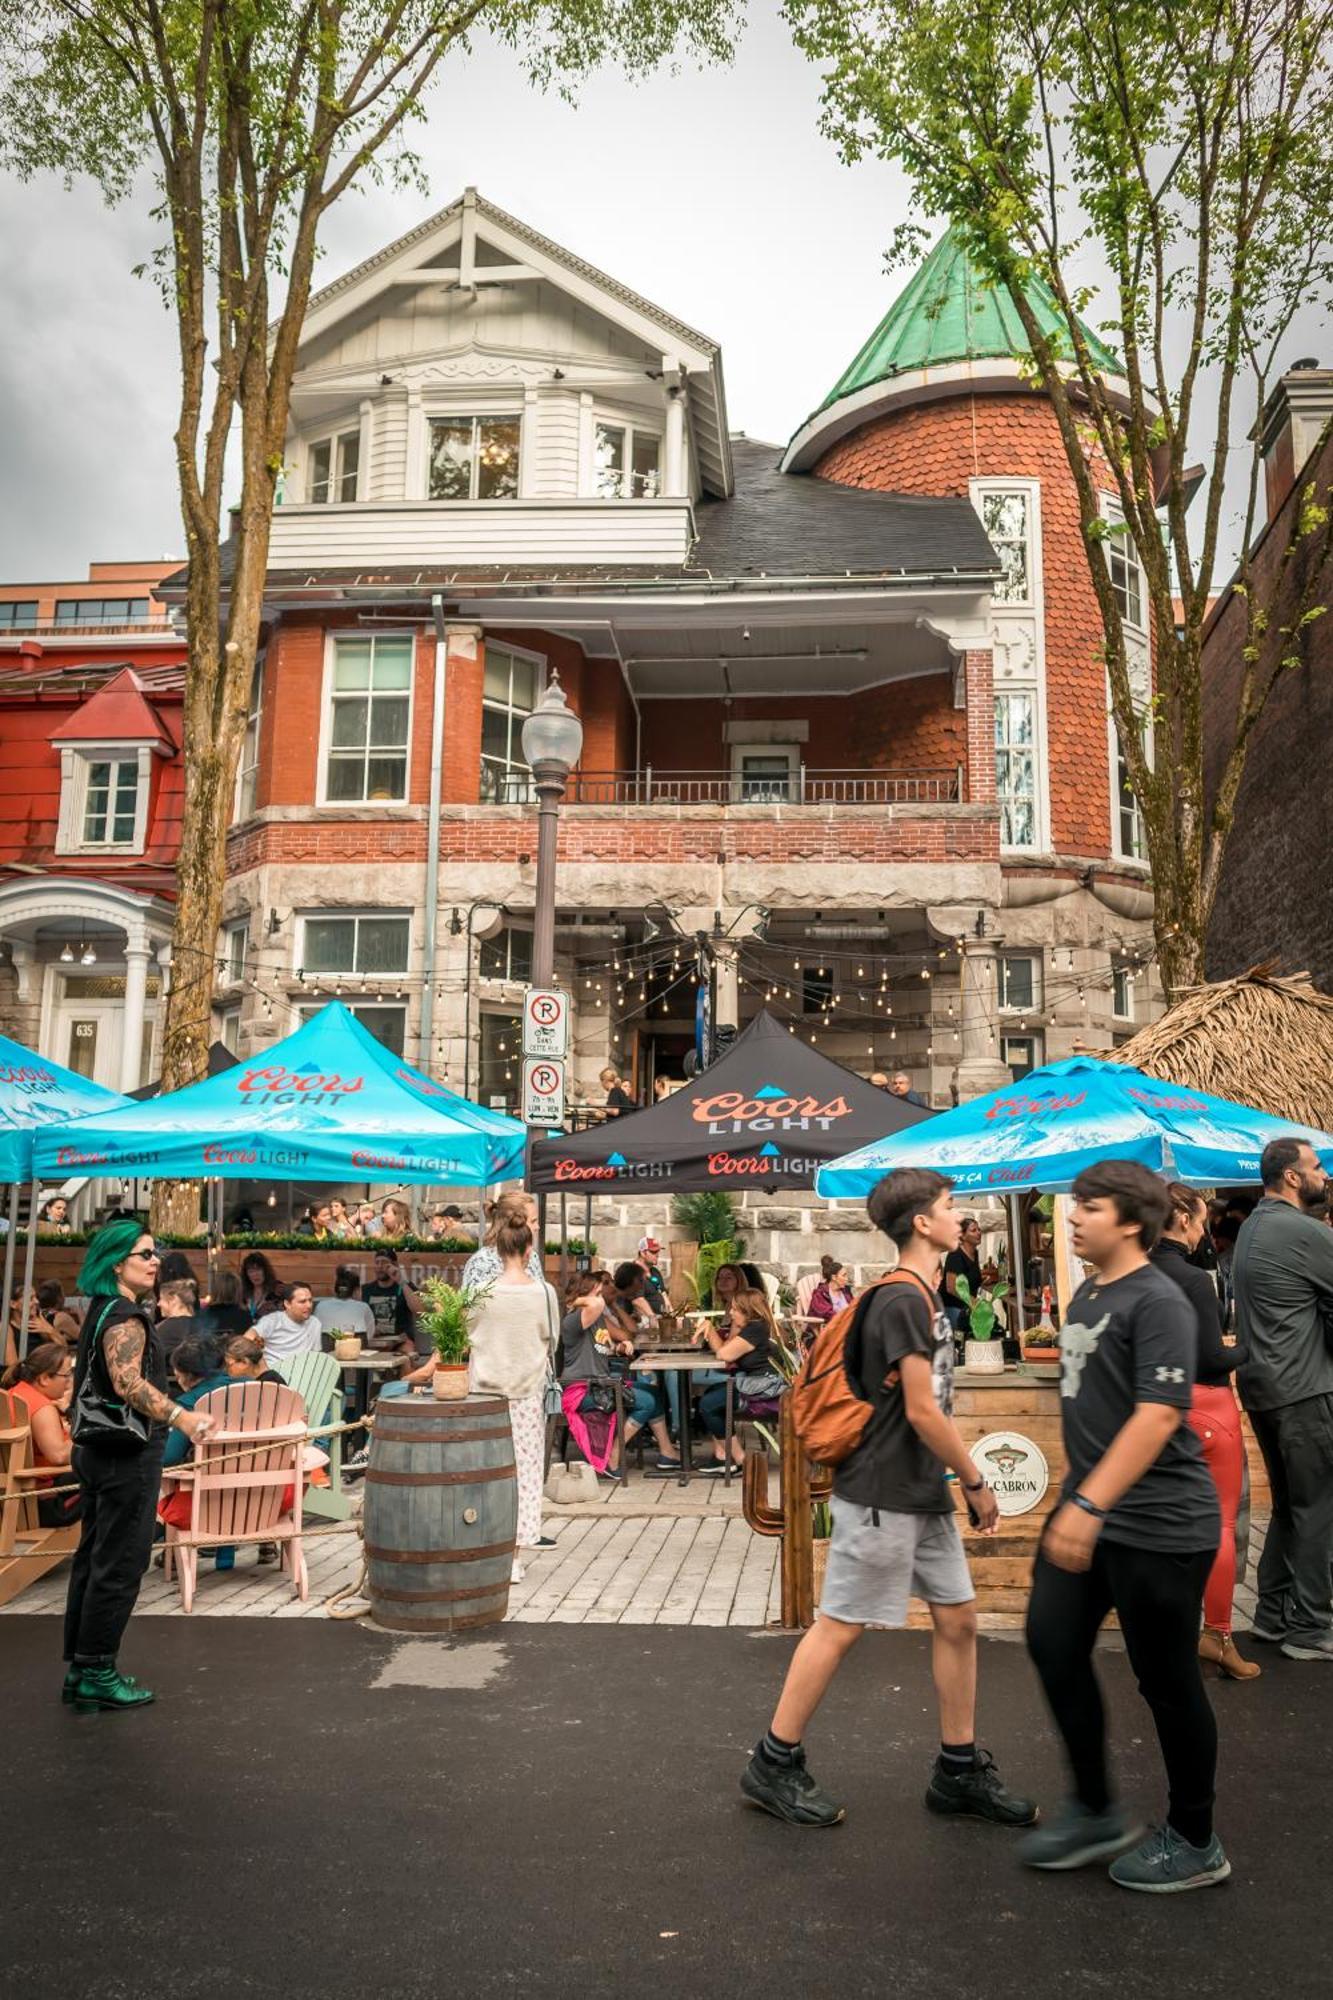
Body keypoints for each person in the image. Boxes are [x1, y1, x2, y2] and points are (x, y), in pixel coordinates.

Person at [740, 1167, 1031, 1831]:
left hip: (916, 1490)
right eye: (949, 1206)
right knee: (838, 1624)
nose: (959, 1215)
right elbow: (925, 1411)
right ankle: (772, 1761)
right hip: (880, 1491)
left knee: (956, 1619)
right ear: (922, 1223)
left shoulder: (916, 1296)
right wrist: (978, 1483)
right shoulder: (902, 1300)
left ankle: (957, 1769)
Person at [1020, 1160, 1227, 1893]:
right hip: (1096, 1515)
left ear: (1131, 1222)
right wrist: (1081, 1502)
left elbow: (1158, 1413)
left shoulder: (1159, 1298)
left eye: (1090, 1207)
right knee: (1050, 1642)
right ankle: (1095, 1810)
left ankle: (1195, 1837)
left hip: (1162, 1525)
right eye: (1074, 1205)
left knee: (1165, 1681)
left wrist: (1085, 1504)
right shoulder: (1085, 1296)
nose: (1073, 1217)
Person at [63, 1219, 214, 1711]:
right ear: (116, 1263)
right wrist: (181, 1416)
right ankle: (99, 1670)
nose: (156, 1261)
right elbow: (127, 1382)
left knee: (95, 1559)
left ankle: (83, 1668)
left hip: (97, 1451)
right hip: (125, 1453)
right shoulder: (125, 1315)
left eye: (155, 1252)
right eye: (144, 1254)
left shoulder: (101, 1309)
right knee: (121, 1563)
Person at [1232, 1135, 1333, 1662]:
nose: (1324, 1176)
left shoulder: (1252, 1226)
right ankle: (1311, 1627)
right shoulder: (1304, 1230)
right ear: (1292, 1177)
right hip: (1304, 1387)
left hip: (1264, 1389)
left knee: (1293, 1508)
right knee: (1318, 1508)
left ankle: (1270, 1618)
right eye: (1317, 1168)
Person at [1151, 1184, 1257, 1681]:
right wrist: (1247, 1348)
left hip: (1153, 1412)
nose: (1202, 1231)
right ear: (1183, 1220)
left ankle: (1165, 1636)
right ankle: (1217, 1635)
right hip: (1207, 1409)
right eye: (1198, 1220)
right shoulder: (1194, 1280)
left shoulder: (1135, 1274)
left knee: (1161, 1527)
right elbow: (1212, 1358)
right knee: (1217, 1527)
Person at [465, 1215, 561, 1569]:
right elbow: (552, 1339)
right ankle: (515, 1557)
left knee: (485, 1472)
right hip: (526, 1390)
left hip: (484, 1392)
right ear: (528, 1249)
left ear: (500, 1249)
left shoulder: (480, 1292)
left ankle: (486, 1547)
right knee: (526, 1472)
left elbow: (467, 1333)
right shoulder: (545, 1293)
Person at [558, 1274, 678, 1477]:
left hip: (601, 1384)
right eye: (598, 1291)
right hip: (581, 1391)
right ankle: (613, 1456)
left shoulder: (596, 1319)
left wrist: (621, 1347)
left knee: (652, 1393)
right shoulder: (573, 1321)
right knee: (646, 1402)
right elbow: (595, 1304)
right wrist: (573, 1300)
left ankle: (668, 1453)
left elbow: (605, 1347)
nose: (602, 1296)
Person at [695, 1289, 785, 1470]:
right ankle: (721, 1456)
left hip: (765, 1390)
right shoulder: (757, 1326)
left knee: (709, 1404)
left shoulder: (756, 1328)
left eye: (735, 1309)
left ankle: (740, 1459)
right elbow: (726, 1347)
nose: (730, 1312)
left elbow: (723, 1354)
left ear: (748, 1311)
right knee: (712, 1394)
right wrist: (712, 1328)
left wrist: (710, 1329)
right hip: (760, 1384)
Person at [1, 1341, 79, 1525]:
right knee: (115, 1473)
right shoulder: (42, 1407)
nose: (70, 1382)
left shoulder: (15, 1394)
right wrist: (86, 1432)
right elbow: (59, 1455)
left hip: (17, 1502)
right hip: (44, 1504)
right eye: (66, 1375)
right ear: (44, 1379)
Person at [463, 1192, 544, 1288]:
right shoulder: (480, 1262)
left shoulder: (532, 1256)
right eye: (533, 1221)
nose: (537, 1227)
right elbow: (471, 1301)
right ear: (515, 1222)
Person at [361, 1248, 420, 1355]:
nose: (379, 1266)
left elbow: (419, 1311)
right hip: (374, 1342)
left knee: (407, 1354)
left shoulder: (406, 1286)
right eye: (377, 1262)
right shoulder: (366, 1290)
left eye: (384, 1263)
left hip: (401, 1342)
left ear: (395, 1265)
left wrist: (401, 1281)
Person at [254, 1282, 322, 1370]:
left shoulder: (315, 1323)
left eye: (310, 1300)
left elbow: (316, 1356)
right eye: (302, 1302)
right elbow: (248, 1339)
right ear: (287, 1304)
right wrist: (263, 1369)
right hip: (273, 1375)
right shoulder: (272, 1320)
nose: (309, 1305)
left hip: (303, 1376)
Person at [942, 1215, 986, 1333]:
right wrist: (974, 1302)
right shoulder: (955, 1254)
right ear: (963, 1236)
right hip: (952, 1308)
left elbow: (969, 1276)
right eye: (973, 1230)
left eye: (979, 1229)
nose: (978, 1233)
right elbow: (951, 1287)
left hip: (967, 1308)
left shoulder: (974, 1253)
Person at [314, 1265, 376, 1347]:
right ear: (356, 1290)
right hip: (357, 1354)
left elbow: (315, 1333)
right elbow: (369, 1336)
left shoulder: (321, 1306)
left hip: (327, 1355)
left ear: (335, 1289)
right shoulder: (363, 1307)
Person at [197, 1269, 252, 1343]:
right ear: (238, 1290)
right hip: (235, 1353)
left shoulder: (204, 1313)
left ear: (215, 1289)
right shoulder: (244, 1314)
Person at [154, 1277, 199, 1362]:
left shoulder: (162, 1329)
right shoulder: (202, 1325)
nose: (158, 1304)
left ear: (173, 1299)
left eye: (161, 1299)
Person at [808, 1257, 854, 1327]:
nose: (847, 1279)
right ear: (834, 1277)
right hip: (830, 1332)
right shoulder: (820, 1294)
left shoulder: (846, 1292)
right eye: (844, 1275)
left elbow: (854, 1308)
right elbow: (826, 1313)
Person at [35, 1278, 82, 1346]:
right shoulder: (61, 1317)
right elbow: (83, 1336)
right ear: (59, 1298)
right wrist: (80, 1313)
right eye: (63, 1293)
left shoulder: (40, 1313)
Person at [240, 1252, 282, 1324]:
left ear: (265, 1271)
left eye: (258, 1269)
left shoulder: (277, 1289)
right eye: (251, 1271)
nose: (255, 1274)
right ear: (246, 1274)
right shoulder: (243, 1291)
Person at [636, 1236, 669, 1314]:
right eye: (653, 1252)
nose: (657, 1255)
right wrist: (652, 1318)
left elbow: (663, 1294)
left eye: (658, 1251)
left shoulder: (655, 1272)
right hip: (645, 1320)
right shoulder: (634, 1273)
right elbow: (638, 1301)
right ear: (643, 1253)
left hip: (662, 1317)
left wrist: (672, 1315)